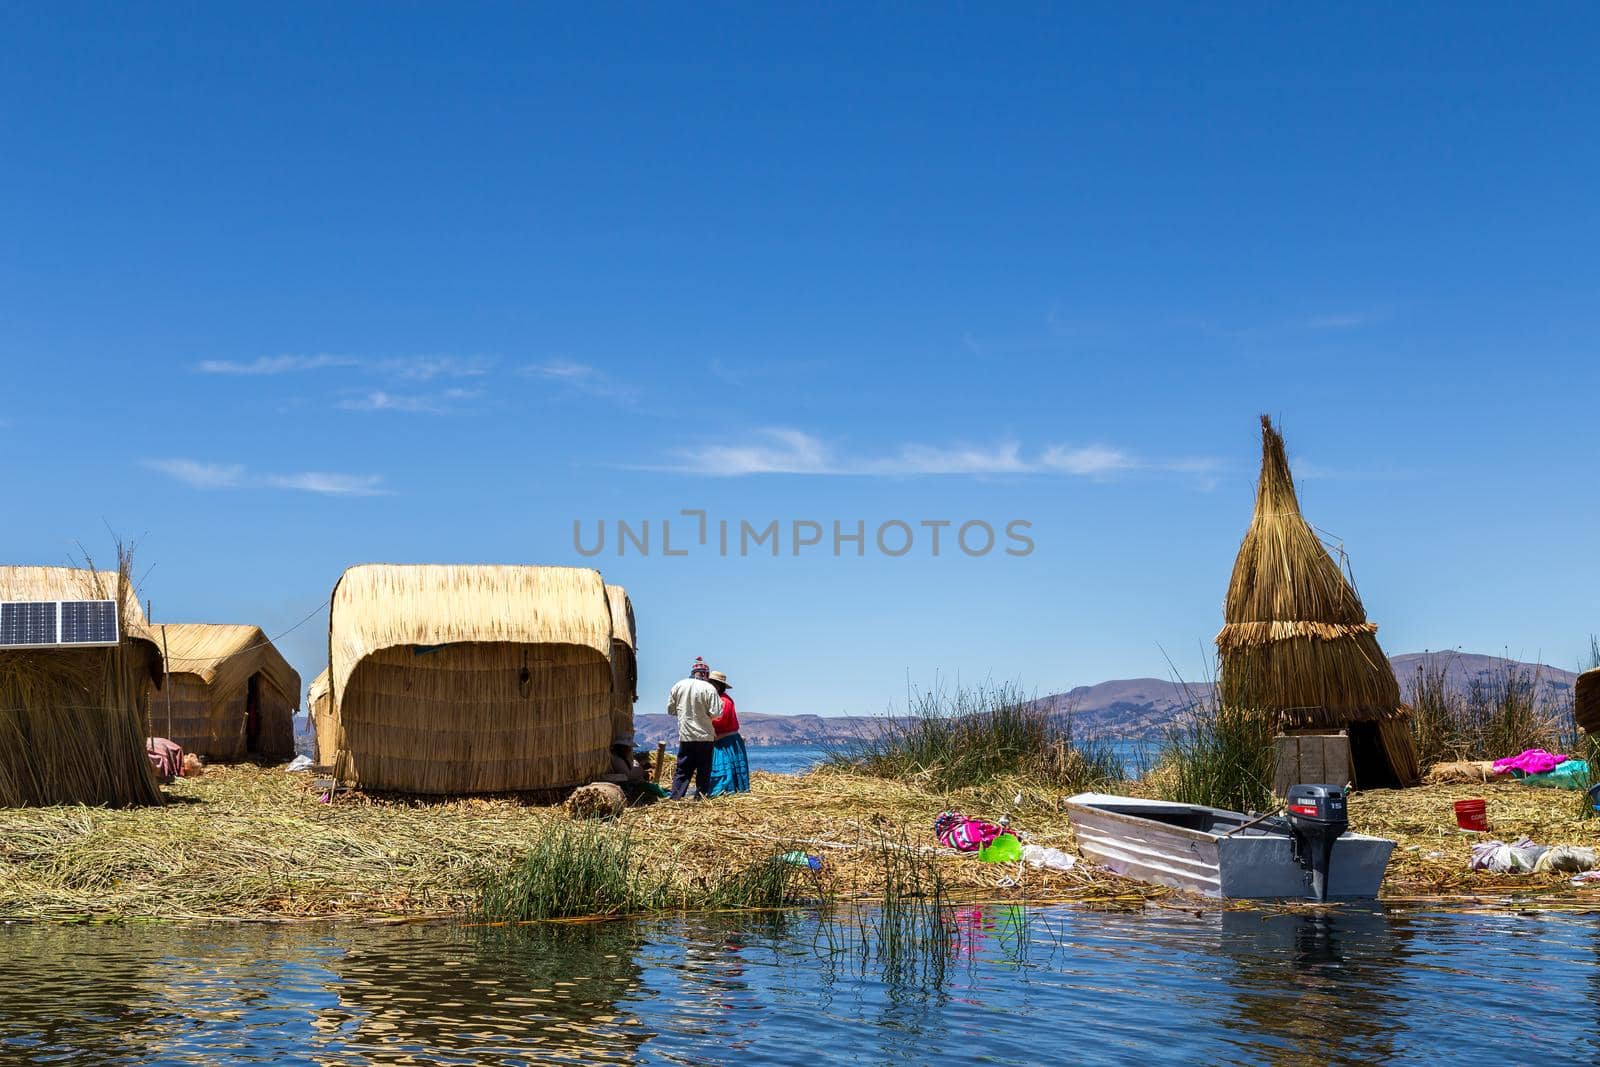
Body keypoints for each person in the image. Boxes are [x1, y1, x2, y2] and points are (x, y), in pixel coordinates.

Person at [667, 657, 719, 799]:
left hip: (686, 734)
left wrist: (685, 712)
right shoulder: (709, 688)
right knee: (704, 768)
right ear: (706, 674)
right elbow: (716, 713)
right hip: (705, 735)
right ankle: (700, 798)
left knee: (683, 768)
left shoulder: (678, 685)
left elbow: (671, 710)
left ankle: (676, 798)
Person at [707, 670, 750, 796]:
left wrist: (703, 720)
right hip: (721, 740)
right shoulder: (716, 699)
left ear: (717, 686)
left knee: (725, 769)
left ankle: (724, 791)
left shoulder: (724, 701)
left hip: (727, 741)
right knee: (723, 768)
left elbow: (719, 720)